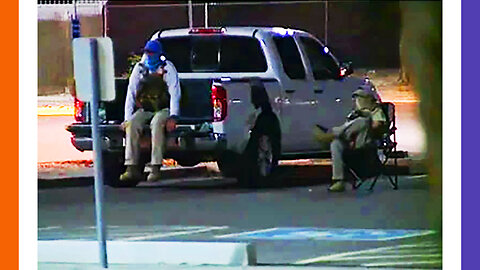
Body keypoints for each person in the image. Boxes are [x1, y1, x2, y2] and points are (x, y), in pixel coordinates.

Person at [120, 39, 181, 182]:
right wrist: (127, 119)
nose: (149, 55)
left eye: (152, 52)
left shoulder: (168, 68)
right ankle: (131, 167)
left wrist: (173, 116)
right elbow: (131, 94)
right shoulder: (139, 69)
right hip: (146, 108)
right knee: (133, 125)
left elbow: (175, 93)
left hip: (163, 108)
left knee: (157, 123)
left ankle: (155, 167)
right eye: (147, 52)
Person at [314, 88, 386, 192]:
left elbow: (377, 126)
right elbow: (348, 126)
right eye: (357, 98)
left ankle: (332, 134)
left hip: (366, 141)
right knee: (336, 144)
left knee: (363, 121)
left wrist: (366, 117)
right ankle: (338, 180)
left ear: (369, 99)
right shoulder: (354, 113)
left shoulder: (376, 111)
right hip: (351, 140)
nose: (358, 101)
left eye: (360, 98)